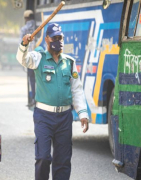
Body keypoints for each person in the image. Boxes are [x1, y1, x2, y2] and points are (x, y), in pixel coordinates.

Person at [16, 23, 90, 180]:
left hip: (64, 117)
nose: (59, 41)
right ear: (47, 39)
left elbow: (76, 89)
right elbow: (23, 60)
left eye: (61, 38)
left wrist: (82, 113)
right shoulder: (39, 58)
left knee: (63, 162)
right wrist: (25, 44)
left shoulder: (69, 63)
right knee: (43, 157)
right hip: (43, 116)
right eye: (55, 38)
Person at [20, 10, 36, 107]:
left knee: (32, 79)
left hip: (29, 57)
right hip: (38, 55)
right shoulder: (38, 26)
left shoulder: (24, 29)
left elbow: (21, 44)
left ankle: (33, 98)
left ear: (26, 18)